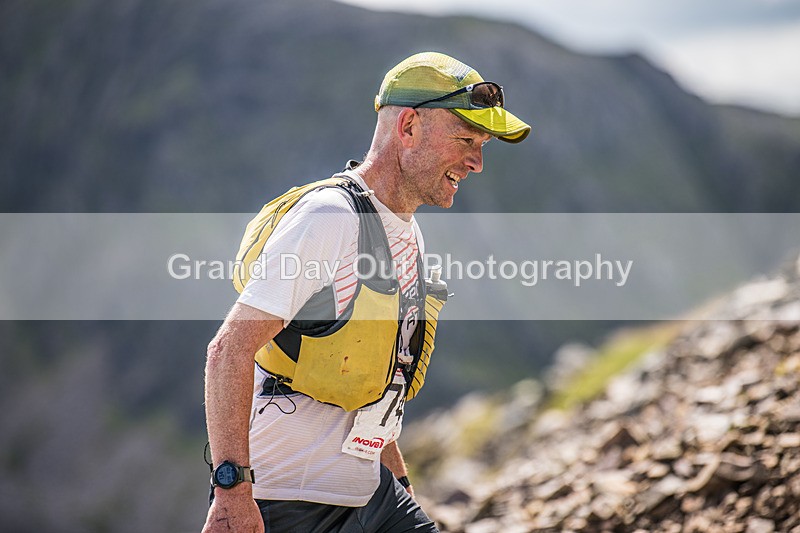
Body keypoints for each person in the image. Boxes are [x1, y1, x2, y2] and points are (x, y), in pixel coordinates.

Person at [202, 51, 530, 533]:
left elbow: (375, 376)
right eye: (466, 139)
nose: (477, 163)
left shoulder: (407, 232)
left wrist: (399, 482)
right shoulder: (330, 218)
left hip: (370, 495)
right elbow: (228, 350)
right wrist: (232, 492)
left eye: (482, 145)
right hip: (289, 501)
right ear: (410, 126)